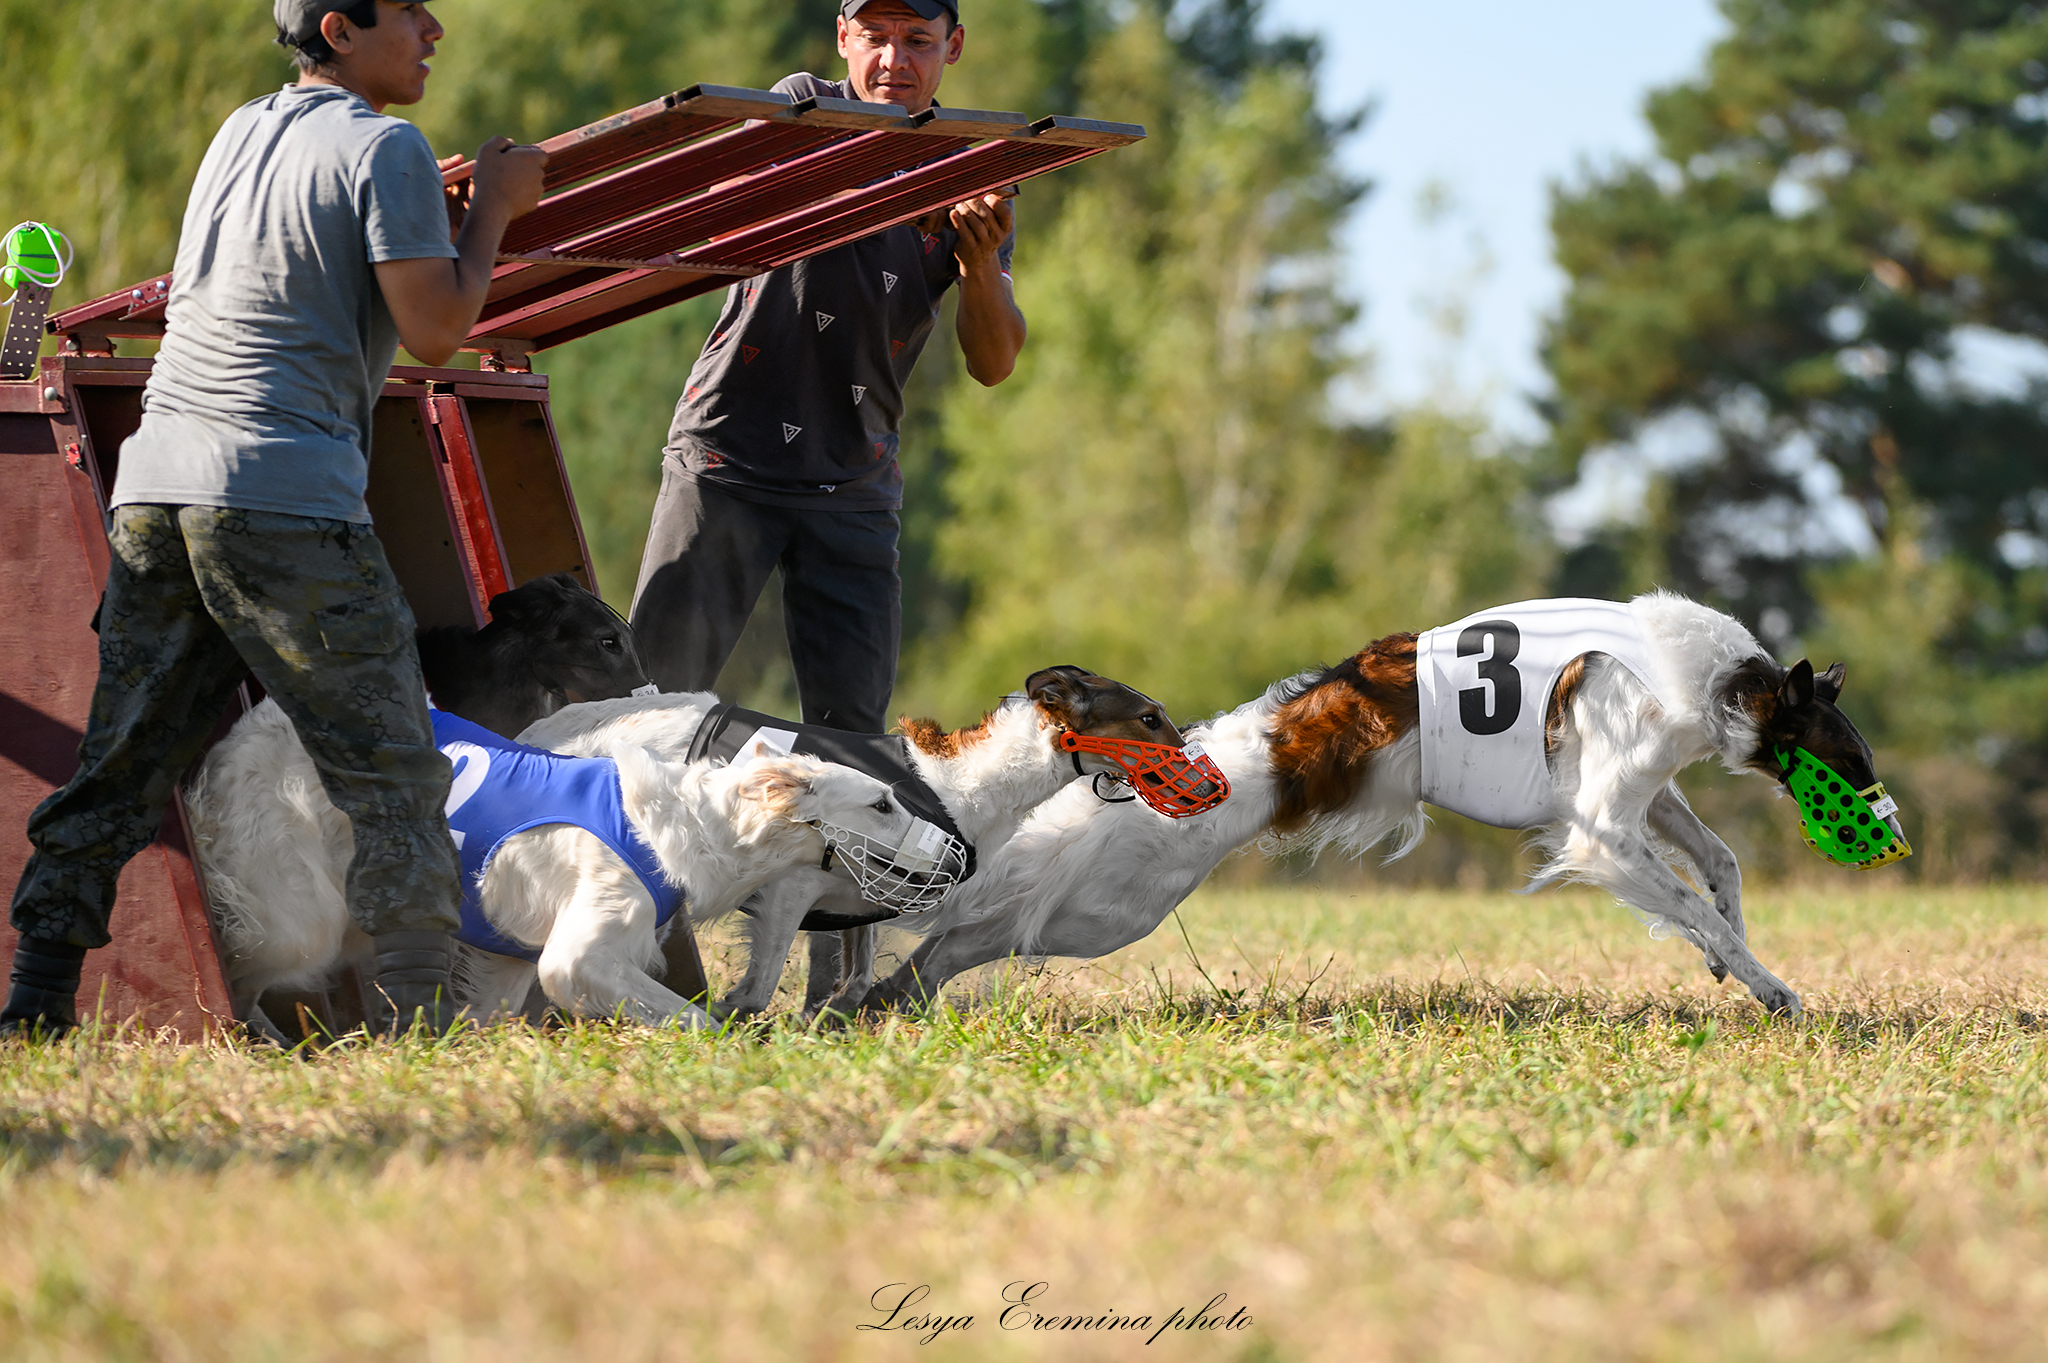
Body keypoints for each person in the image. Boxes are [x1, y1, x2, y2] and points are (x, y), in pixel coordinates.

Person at [0, 0, 546, 1039]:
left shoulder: (243, 127)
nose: (435, 28)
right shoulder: (386, 145)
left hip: (160, 487)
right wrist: (494, 212)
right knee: (391, 768)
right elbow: (436, 330)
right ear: (341, 27)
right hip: (283, 494)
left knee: (123, 760)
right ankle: (425, 1022)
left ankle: (36, 1001)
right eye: (413, 13)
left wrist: (431, 210)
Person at [631, 0, 1027, 734]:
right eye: (874, 38)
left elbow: (994, 361)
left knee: (854, 744)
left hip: (854, 478)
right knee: (651, 707)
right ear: (843, 37)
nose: (893, 61)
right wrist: (907, 198)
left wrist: (975, 258)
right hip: (727, 459)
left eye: (917, 41)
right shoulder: (801, 110)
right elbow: (735, 205)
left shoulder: (975, 166)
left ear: (954, 47)